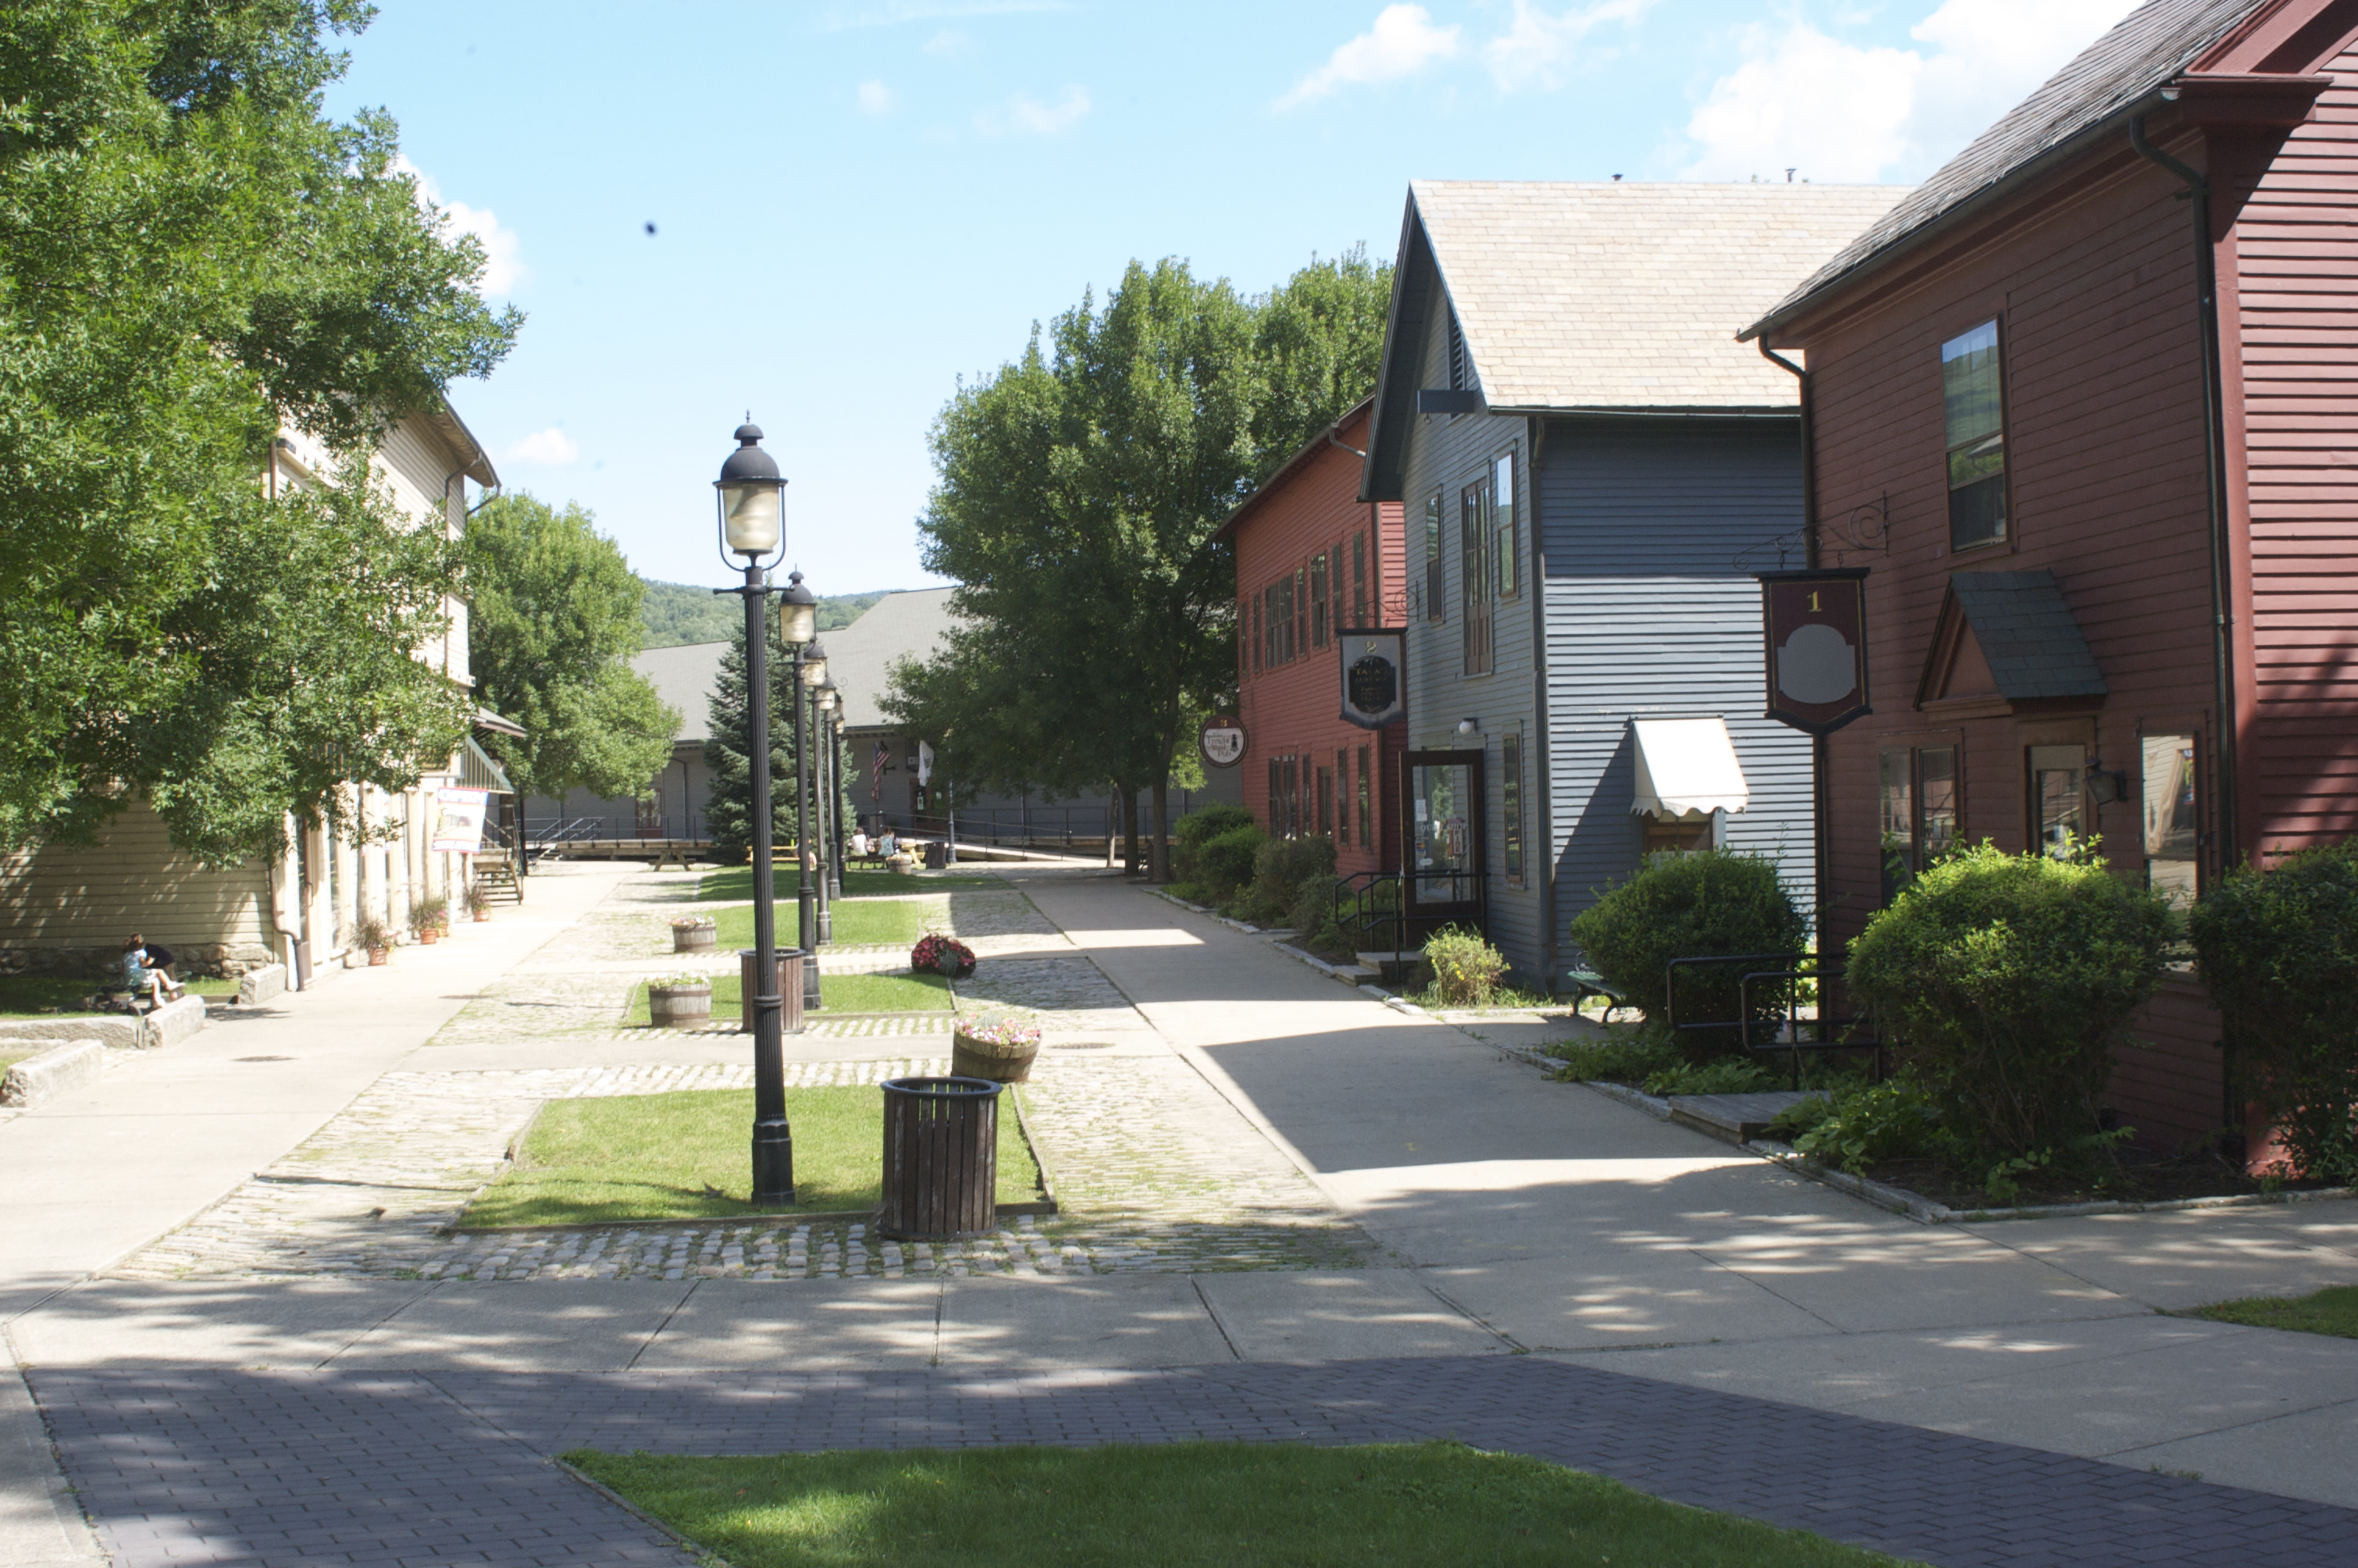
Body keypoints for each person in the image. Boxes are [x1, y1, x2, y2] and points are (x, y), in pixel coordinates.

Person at [122, 935, 183, 1007]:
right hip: (137, 975)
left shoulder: (126, 955)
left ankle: (156, 1000)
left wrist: (123, 979)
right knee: (159, 971)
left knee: (155, 980)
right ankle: (170, 985)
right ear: (142, 944)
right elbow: (143, 965)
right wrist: (150, 961)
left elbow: (122, 970)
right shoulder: (141, 952)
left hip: (129, 978)